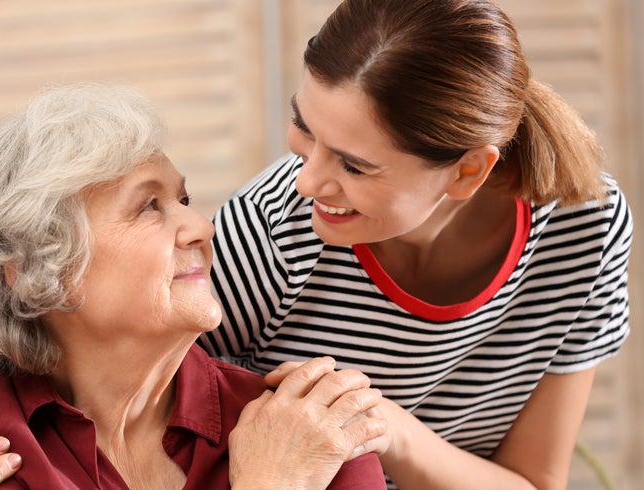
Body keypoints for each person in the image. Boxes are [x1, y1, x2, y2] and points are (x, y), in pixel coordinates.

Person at [0, 82, 388, 489]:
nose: (203, 228)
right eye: (148, 208)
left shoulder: (312, 430)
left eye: (182, 200)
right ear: (35, 272)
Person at [197, 0, 631, 489]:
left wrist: (387, 427)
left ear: (469, 171)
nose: (308, 183)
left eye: (354, 165)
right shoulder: (267, 231)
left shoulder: (585, 228)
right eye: (303, 126)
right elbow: (154, 441)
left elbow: (533, 482)